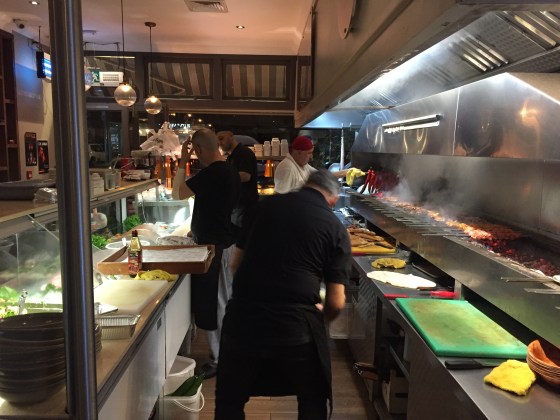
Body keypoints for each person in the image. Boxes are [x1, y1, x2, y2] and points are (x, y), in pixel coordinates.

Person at [215, 169, 351, 420]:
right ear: (332, 199)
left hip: (243, 320)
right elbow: (336, 301)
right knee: (312, 401)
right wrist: (323, 316)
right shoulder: (335, 227)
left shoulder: (263, 206)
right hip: (296, 327)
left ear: (306, 184)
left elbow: (235, 265)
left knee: (229, 402)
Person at [172, 128, 241, 378]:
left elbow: (177, 193)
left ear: (198, 150)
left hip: (216, 249)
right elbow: (216, 206)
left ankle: (221, 360)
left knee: (217, 304)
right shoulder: (229, 170)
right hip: (222, 243)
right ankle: (225, 355)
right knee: (222, 302)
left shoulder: (213, 172)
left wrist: (182, 162)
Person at [216, 130, 259, 235]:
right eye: (217, 141)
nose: (220, 143)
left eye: (221, 138)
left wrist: (221, 179)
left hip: (245, 207)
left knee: (243, 237)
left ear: (231, 136)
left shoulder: (244, 152)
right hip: (237, 207)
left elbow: (245, 176)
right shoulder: (231, 156)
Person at [274, 135, 348, 194]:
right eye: (309, 153)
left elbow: (320, 176)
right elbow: (280, 198)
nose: (311, 157)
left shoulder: (303, 165)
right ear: (298, 152)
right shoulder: (287, 167)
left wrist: (345, 173)